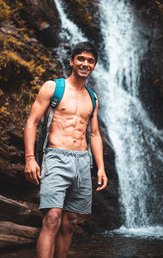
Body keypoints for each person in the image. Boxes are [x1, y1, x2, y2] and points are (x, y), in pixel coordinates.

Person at [24, 42, 108, 258]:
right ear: (72, 61)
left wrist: (100, 167)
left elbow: (95, 134)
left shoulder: (93, 98)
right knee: (52, 218)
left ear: (94, 65)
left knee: (70, 222)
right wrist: (30, 158)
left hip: (82, 162)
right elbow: (32, 122)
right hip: (56, 157)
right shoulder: (53, 87)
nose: (85, 64)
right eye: (81, 59)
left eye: (90, 61)